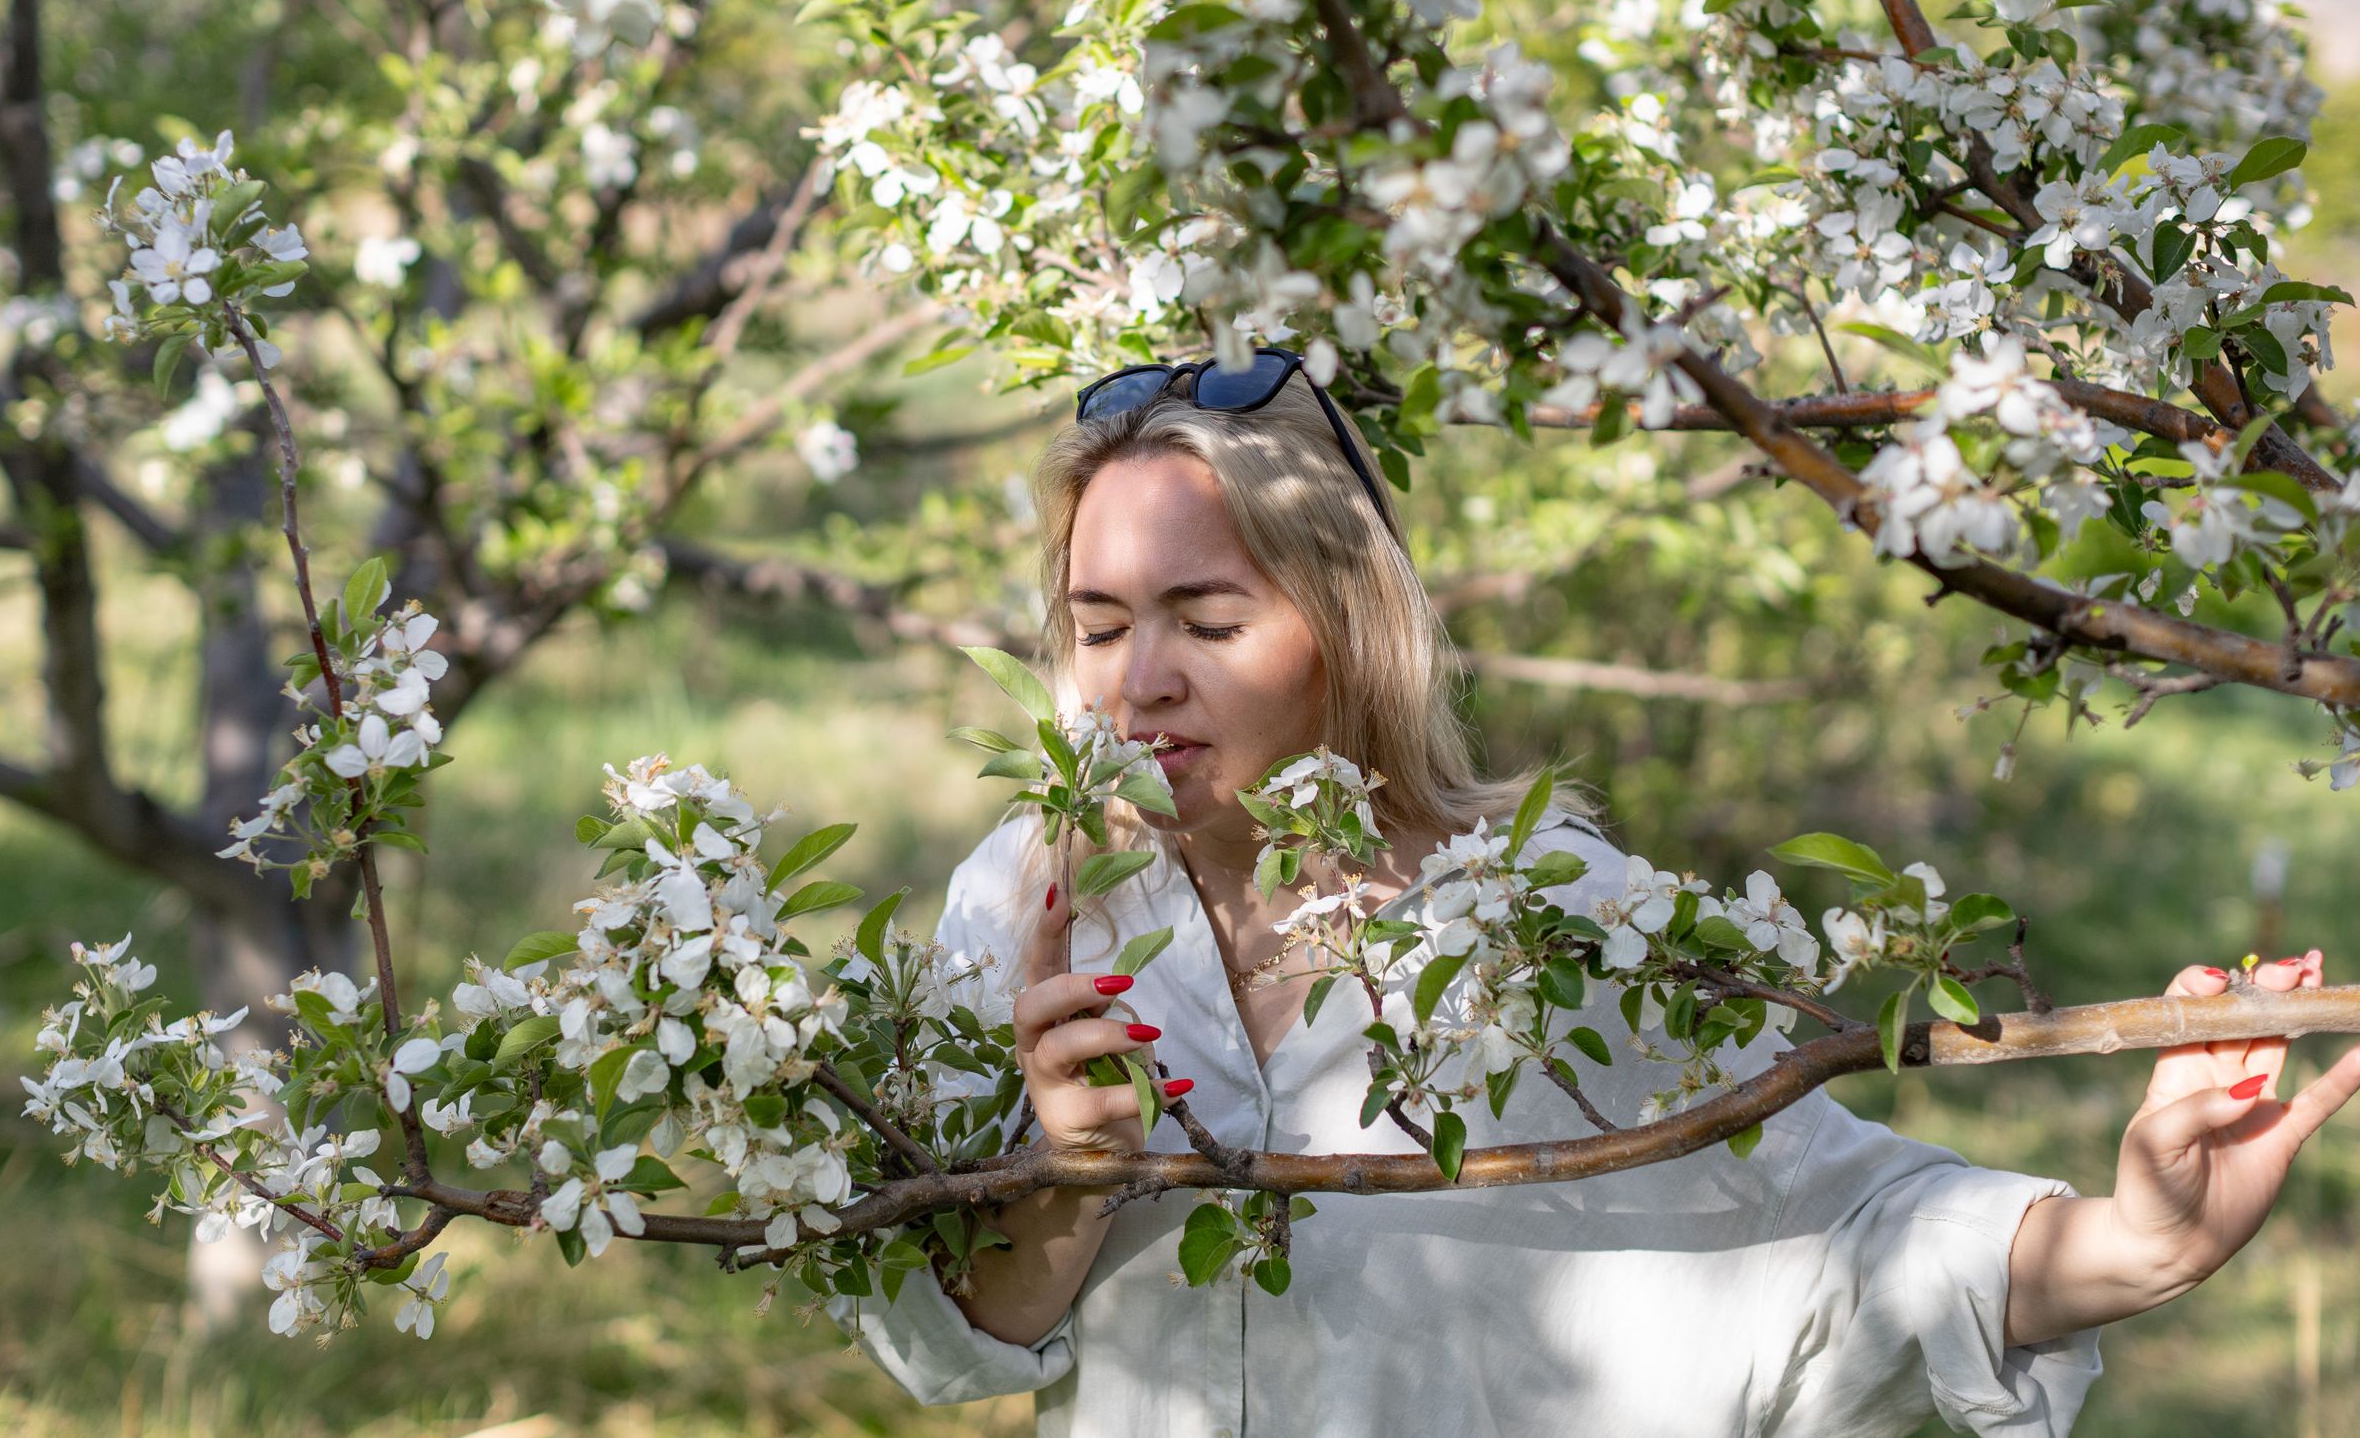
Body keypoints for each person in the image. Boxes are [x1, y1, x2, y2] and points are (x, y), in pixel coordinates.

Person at [835, 349, 2360, 1437]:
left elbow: (1840, 1227)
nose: (1139, 683)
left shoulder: (1548, 922)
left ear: (1351, 625)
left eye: (1207, 618)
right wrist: (1066, 1175)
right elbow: (947, 1345)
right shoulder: (1042, 899)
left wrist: (2143, 1242)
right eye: (1099, 624)